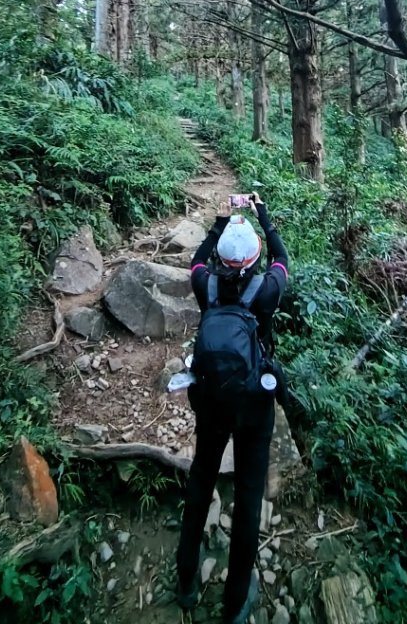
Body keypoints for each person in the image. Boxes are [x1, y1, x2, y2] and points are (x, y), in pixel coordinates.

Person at [176, 191, 288, 624]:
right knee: (248, 496)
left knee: (201, 480)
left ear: (221, 261)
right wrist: (263, 216)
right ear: (254, 259)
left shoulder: (204, 285)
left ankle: (186, 581)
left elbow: (196, 260)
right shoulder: (266, 290)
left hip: (211, 401)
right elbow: (282, 258)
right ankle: (236, 601)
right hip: (254, 406)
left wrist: (220, 222)